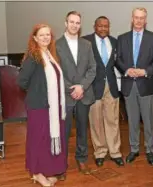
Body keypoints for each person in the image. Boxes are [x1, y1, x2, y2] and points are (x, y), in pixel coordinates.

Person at [17, 23, 67, 186]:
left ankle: (46, 170)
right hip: (39, 107)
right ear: (35, 38)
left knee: (47, 140)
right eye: (42, 35)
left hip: (52, 107)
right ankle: (37, 173)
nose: (46, 37)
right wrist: (37, 93)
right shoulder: (33, 56)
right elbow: (22, 81)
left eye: (48, 35)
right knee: (38, 140)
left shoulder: (50, 55)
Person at [116, 7, 153, 166]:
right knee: (132, 120)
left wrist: (145, 71)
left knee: (149, 120)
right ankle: (134, 149)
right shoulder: (122, 38)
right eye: (136, 17)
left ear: (145, 20)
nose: (138, 20)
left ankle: (150, 150)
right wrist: (126, 69)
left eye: (142, 18)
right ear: (132, 18)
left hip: (147, 84)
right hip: (129, 85)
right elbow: (118, 59)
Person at [56, 11, 96, 175]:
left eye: (77, 22)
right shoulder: (56, 45)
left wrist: (82, 87)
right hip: (65, 96)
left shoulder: (86, 44)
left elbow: (93, 68)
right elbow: (56, 72)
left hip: (84, 94)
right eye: (71, 22)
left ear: (80, 25)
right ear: (66, 23)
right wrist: (71, 88)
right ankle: (61, 164)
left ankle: (81, 160)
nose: (74, 25)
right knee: (63, 132)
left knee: (82, 129)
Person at [82, 16, 124, 167]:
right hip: (93, 88)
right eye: (100, 26)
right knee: (96, 122)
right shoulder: (85, 41)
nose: (103, 29)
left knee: (112, 120)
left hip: (111, 87)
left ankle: (115, 152)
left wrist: (130, 71)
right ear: (95, 26)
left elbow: (118, 63)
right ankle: (100, 152)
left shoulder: (114, 41)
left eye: (106, 26)